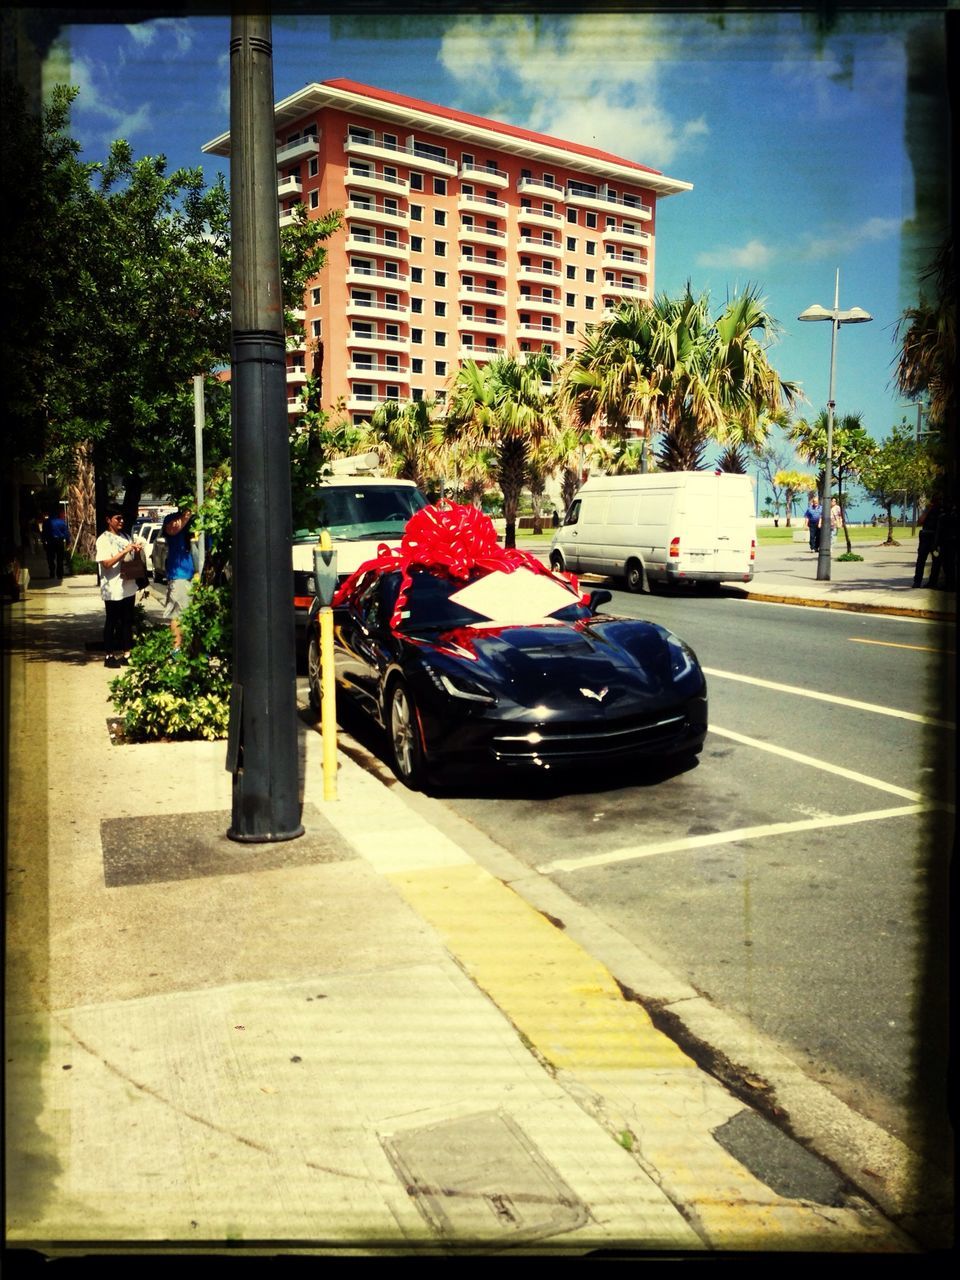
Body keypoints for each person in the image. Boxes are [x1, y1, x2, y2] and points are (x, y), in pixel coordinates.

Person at [96, 506, 141, 667]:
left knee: (127, 621)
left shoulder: (125, 536)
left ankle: (127, 653)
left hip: (128, 585)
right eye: (117, 518)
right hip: (113, 587)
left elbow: (130, 558)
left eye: (122, 518)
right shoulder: (103, 540)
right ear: (108, 520)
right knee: (112, 621)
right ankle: (109, 655)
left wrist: (135, 550)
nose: (121, 521)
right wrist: (124, 551)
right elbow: (106, 563)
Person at [161, 507, 195, 653]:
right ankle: (176, 649)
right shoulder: (173, 519)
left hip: (195, 576)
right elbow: (172, 529)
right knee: (178, 614)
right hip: (180, 576)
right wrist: (190, 511)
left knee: (192, 615)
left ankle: (192, 648)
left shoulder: (197, 521)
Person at [912, 494, 942, 588]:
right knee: (921, 560)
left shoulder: (942, 510)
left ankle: (932, 582)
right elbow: (920, 521)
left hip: (936, 537)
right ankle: (917, 581)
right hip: (925, 536)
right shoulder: (928, 509)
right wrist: (928, 510)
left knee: (936, 561)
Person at [928, 500, 956, 591]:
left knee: (939, 564)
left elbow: (938, 532)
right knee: (950, 565)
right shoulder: (954, 517)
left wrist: (935, 545)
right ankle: (950, 584)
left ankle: (935, 583)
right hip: (951, 543)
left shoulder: (942, 517)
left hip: (944, 544)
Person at [42, 509, 69, 579]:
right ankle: (59, 574)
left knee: (50, 558)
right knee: (60, 558)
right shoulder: (62, 522)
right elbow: (66, 533)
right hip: (59, 542)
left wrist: (44, 542)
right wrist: (68, 541)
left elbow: (43, 533)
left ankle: (52, 573)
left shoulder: (46, 522)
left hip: (50, 542)